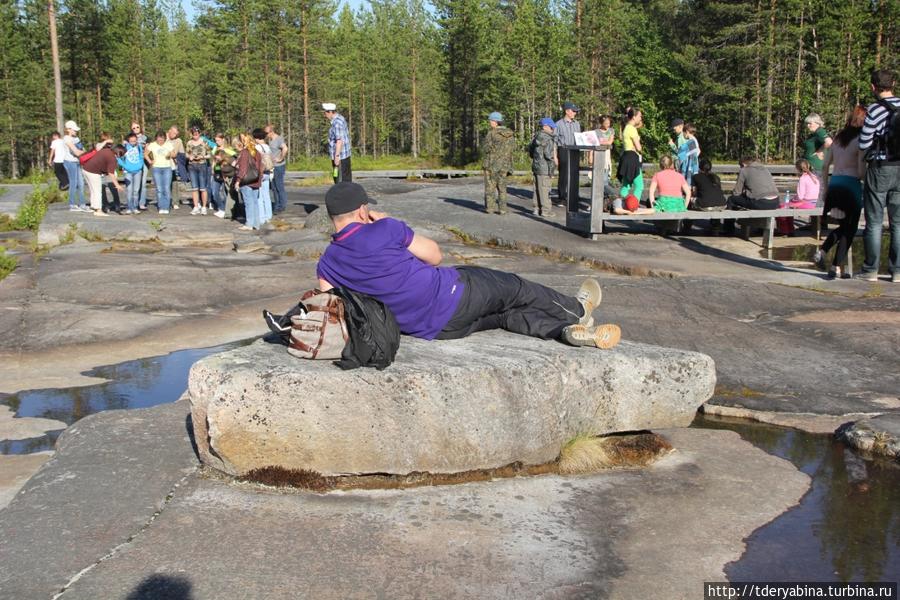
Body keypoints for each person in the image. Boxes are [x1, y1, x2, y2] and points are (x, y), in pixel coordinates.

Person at [315, 182, 620, 349]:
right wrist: (386, 222)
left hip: (433, 330)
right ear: (362, 209)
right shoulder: (384, 228)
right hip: (454, 296)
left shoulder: (327, 262)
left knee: (504, 316)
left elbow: (334, 306)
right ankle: (578, 310)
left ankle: (564, 331)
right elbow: (435, 256)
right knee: (515, 289)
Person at [814, 105, 867, 279]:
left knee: (843, 226)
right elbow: (860, 172)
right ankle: (834, 264)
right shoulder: (861, 140)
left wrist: (826, 188)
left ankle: (825, 254)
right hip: (850, 185)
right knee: (850, 229)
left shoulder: (837, 139)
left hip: (835, 184)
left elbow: (825, 165)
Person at [857, 69, 900, 282]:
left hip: (880, 167)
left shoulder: (874, 109)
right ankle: (897, 271)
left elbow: (864, 143)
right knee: (898, 223)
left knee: (874, 221)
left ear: (873, 87)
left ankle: (871, 269)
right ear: (893, 84)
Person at [82, 135, 125, 217]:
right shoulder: (112, 158)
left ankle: (93, 206)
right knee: (98, 191)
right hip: (93, 172)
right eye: (122, 154)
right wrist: (117, 185)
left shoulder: (106, 150)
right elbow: (111, 174)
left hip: (85, 169)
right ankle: (98, 210)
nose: (122, 156)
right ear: (119, 152)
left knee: (93, 189)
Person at [482, 112, 515, 215]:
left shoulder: (491, 134)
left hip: (491, 165)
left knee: (490, 188)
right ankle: (502, 209)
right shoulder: (510, 134)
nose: (490, 123)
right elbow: (513, 148)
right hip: (504, 165)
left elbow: (486, 149)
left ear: (496, 122)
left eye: (491, 121)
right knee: (502, 188)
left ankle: (490, 208)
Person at [554, 101, 581, 209]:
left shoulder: (577, 124)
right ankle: (562, 197)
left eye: (576, 111)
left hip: (575, 150)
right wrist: (555, 156)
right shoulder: (558, 124)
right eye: (573, 111)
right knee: (564, 174)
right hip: (563, 149)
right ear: (567, 111)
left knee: (574, 174)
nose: (575, 113)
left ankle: (573, 196)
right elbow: (554, 141)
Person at [234, 133, 264, 231]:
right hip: (255, 180)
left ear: (243, 142)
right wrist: (259, 180)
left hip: (246, 181)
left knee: (248, 203)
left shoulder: (245, 152)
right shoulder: (257, 152)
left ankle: (249, 224)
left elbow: (243, 169)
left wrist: (238, 181)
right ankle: (256, 224)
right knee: (255, 202)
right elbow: (260, 167)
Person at [530, 117, 558, 218]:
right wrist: (552, 171)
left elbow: (530, 151)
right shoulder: (548, 138)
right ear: (546, 127)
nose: (552, 129)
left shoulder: (536, 137)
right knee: (545, 189)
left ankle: (536, 208)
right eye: (551, 127)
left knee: (537, 188)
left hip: (536, 166)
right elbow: (549, 156)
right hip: (545, 167)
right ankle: (546, 210)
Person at [617, 107, 644, 203]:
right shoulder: (632, 129)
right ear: (634, 117)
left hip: (626, 157)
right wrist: (638, 144)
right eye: (640, 116)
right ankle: (634, 205)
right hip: (632, 158)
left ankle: (619, 203)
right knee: (640, 186)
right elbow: (639, 148)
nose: (641, 118)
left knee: (626, 185)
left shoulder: (626, 128)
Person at [145, 130, 174, 214]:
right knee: (159, 188)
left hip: (167, 168)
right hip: (156, 168)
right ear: (156, 138)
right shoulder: (152, 145)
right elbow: (145, 154)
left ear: (165, 139)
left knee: (166, 188)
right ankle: (161, 206)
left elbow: (174, 154)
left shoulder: (168, 144)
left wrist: (170, 154)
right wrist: (150, 161)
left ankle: (166, 207)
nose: (160, 141)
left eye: (162, 139)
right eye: (159, 139)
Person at [61, 120, 88, 212]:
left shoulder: (75, 138)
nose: (76, 131)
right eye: (74, 130)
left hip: (77, 162)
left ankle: (82, 204)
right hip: (70, 162)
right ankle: (72, 204)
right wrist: (82, 152)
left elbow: (82, 149)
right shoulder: (66, 138)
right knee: (74, 183)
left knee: (81, 183)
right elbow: (76, 152)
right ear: (68, 129)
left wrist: (82, 151)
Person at [323, 102, 351, 183]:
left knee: (339, 180)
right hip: (345, 155)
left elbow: (339, 141)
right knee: (346, 179)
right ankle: (347, 195)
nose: (325, 115)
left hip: (340, 157)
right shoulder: (340, 118)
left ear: (331, 112)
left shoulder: (336, 123)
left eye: (326, 112)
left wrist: (337, 156)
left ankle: (341, 195)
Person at [118, 131, 145, 214]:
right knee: (129, 190)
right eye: (131, 141)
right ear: (128, 140)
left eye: (134, 141)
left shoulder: (139, 147)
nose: (133, 142)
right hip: (128, 172)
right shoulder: (125, 147)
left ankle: (135, 207)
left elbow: (141, 157)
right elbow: (119, 159)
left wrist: (140, 165)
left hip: (137, 171)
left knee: (136, 190)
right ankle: (129, 207)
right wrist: (124, 168)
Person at [186, 126, 211, 215]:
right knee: (194, 188)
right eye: (193, 134)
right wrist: (189, 157)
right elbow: (187, 154)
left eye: (197, 133)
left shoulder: (204, 142)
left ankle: (204, 207)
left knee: (203, 188)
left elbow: (209, 155)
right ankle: (196, 206)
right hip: (192, 166)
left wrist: (203, 156)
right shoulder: (189, 143)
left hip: (202, 165)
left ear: (199, 133)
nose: (195, 135)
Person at [210, 133, 236, 219]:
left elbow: (233, 157)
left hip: (225, 172)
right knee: (214, 192)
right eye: (216, 140)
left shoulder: (228, 149)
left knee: (225, 192)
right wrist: (212, 169)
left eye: (218, 140)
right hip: (217, 172)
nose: (217, 142)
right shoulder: (215, 148)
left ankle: (227, 209)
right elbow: (213, 159)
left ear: (223, 139)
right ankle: (221, 208)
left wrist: (224, 155)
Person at [265, 124, 288, 213]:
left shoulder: (278, 139)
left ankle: (282, 205)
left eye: (267, 133)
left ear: (271, 132)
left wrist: (280, 158)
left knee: (279, 186)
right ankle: (277, 204)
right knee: (273, 187)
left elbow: (285, 148)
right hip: (272, 166)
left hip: (279, 166)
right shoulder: (270, 140)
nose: (266, 135)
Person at [253, 128, 274, 224]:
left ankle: (261, 217)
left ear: (256, 137)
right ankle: (268, 216)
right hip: (268, 172)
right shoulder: (267, 147)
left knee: (259, 196)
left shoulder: (256, 148)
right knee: (267, 195)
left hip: (260, 173)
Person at [129, 122, 149, 210]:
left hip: (144, 162)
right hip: (133, 163)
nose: (136, 128)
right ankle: (134, 203)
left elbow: (148, 149)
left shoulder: (146, 138)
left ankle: (142, 203)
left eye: (137, 127)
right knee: (134, 184)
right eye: (134, 128)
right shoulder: (128, 138)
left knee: (143, 183)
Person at [167, 126, 186, 209]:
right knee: (164, 185)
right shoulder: (162, 139)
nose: (175, 135)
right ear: (169, 131)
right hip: (163, 164)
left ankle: (175, 202)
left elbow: (181, 154)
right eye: (173, 133)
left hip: (173, 164)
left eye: (176, 134)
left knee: (174, 183)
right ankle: (165, 201)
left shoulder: (178, 141)